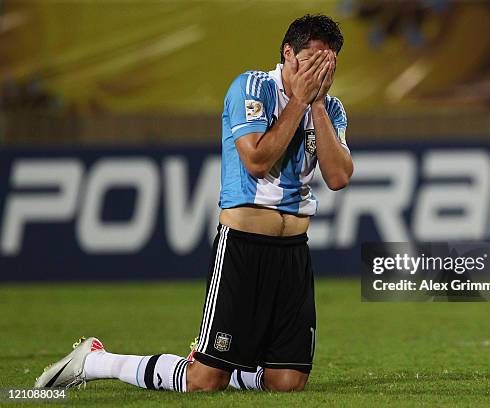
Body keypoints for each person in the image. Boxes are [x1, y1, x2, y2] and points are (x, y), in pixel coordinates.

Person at [34, 14, 352, 393]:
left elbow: (338, 177)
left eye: (329, 62)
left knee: (287, 383)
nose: (321, 70)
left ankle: (220, 362)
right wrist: (299, 101)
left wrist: (315, 104)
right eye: (314, 59)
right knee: (204, 381)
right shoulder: (251, 87)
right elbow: (257, 160)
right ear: (288, 54)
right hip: (243, 244)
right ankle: (97, 360)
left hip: (294, 251)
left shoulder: (331, 110)